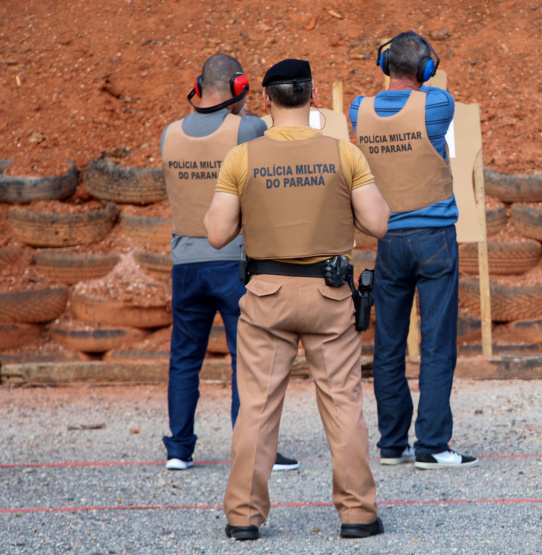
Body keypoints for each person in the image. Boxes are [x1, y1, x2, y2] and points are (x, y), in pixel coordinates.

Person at [205, 59, 390, 541]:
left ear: (266, 101)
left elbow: (217, 233)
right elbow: (378, 223)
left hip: (267, 294)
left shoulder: (241, 158)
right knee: (343, 404)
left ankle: (243, 517)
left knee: (258, 408)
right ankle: (358, 514)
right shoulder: (344, 153)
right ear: (313, 96)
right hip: (330, 294)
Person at [160, 54, 299, 473]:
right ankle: (251, 449)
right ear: (239, 88)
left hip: (185, 264)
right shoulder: (247, 128)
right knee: (248, 360)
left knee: (184, 358)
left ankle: (179, 450)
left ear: (198, 87)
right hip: (233, 263)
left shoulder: (169, 134)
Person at [349, 31, 477, 470]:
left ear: (385, 65)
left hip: (388, 239)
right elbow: (427, 95)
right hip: (434, 238)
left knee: (388, 345)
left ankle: (392, 444)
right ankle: (432, 445)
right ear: (426, 69)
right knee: (437, 343)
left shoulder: (359, 110)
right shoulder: (437, 104)